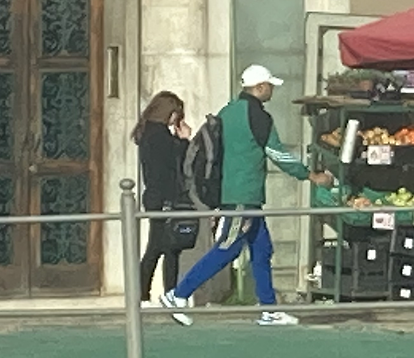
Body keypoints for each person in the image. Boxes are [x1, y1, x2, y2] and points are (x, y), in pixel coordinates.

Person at [160, 65, 334, 327]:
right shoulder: (258, 116)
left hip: (235, 193)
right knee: (227, 249)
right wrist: (311, 175)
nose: (272, 90)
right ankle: (179, 295)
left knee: (261, 250)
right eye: (270, 86)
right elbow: (277, 154)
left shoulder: (228, 111)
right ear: (260, 87)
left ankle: (269, 309)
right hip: (243, 195)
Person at [132, 91, 191, 303]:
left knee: (159, 247)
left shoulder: (148, 132)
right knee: (165, 248)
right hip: (165, 197)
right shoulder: (159, 135)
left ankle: (150, 294)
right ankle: (165, 294)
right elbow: (176, 162)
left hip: (155, 196)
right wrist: (184, 140)